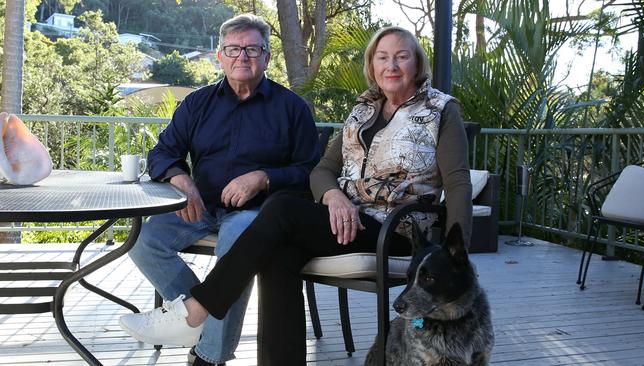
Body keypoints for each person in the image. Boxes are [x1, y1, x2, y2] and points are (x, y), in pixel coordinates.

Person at [122, 26, 473, 365]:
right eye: (382, 57)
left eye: (401, 57)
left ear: (417, 63)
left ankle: (195, 313)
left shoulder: (440, 110)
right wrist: (333, 196)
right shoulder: (363, 109)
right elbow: (323, 170)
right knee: (278, 255)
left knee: (280, 208)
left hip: (398, 230)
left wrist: (458, 254)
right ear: (372, 65)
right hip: (347, 219)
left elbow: (457, 183)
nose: (391, 66)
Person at [118, 14, 320, 366]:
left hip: (257, 214)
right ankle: (194, 317)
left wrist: (263, 177)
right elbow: (163, 152)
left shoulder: (292, 108)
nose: (243, 56)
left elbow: (309, 171)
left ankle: (209, 357)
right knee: (142, 241)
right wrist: (181, 180)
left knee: (236, 244)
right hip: (199, 206)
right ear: (220, 55)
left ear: (267, 57)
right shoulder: (197, 103)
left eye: (253, 49)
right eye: (234, 49)